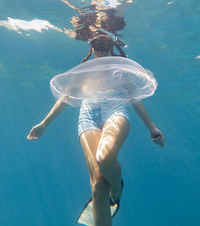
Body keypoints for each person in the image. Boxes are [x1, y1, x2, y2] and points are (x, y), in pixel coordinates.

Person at [27, 34, 165, 226]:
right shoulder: (81, 73)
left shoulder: (121, 70)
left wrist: (152, 127)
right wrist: (44, 123)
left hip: (116, 111)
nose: (101, 47)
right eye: (96, 43)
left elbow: (135, 99)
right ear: (90, 47)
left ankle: (116, 191)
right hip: (87, 117)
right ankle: (110, 192)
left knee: (104, 157)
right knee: (99, 186)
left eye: (105, 42)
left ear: (112, 46)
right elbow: (64, 99)